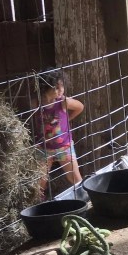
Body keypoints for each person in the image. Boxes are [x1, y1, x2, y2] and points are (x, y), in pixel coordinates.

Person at [32, 68, 85, 199]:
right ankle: (39, 204)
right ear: (45, 88)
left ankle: (85, 198)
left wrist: (68, 119)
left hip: (64, 147)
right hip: (43, 149)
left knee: (75, 178)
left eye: (62, 86)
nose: (61, 90)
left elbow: (80, 107)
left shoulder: (63, 102)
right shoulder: (36, 103)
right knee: (39, 183)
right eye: (56, 87)